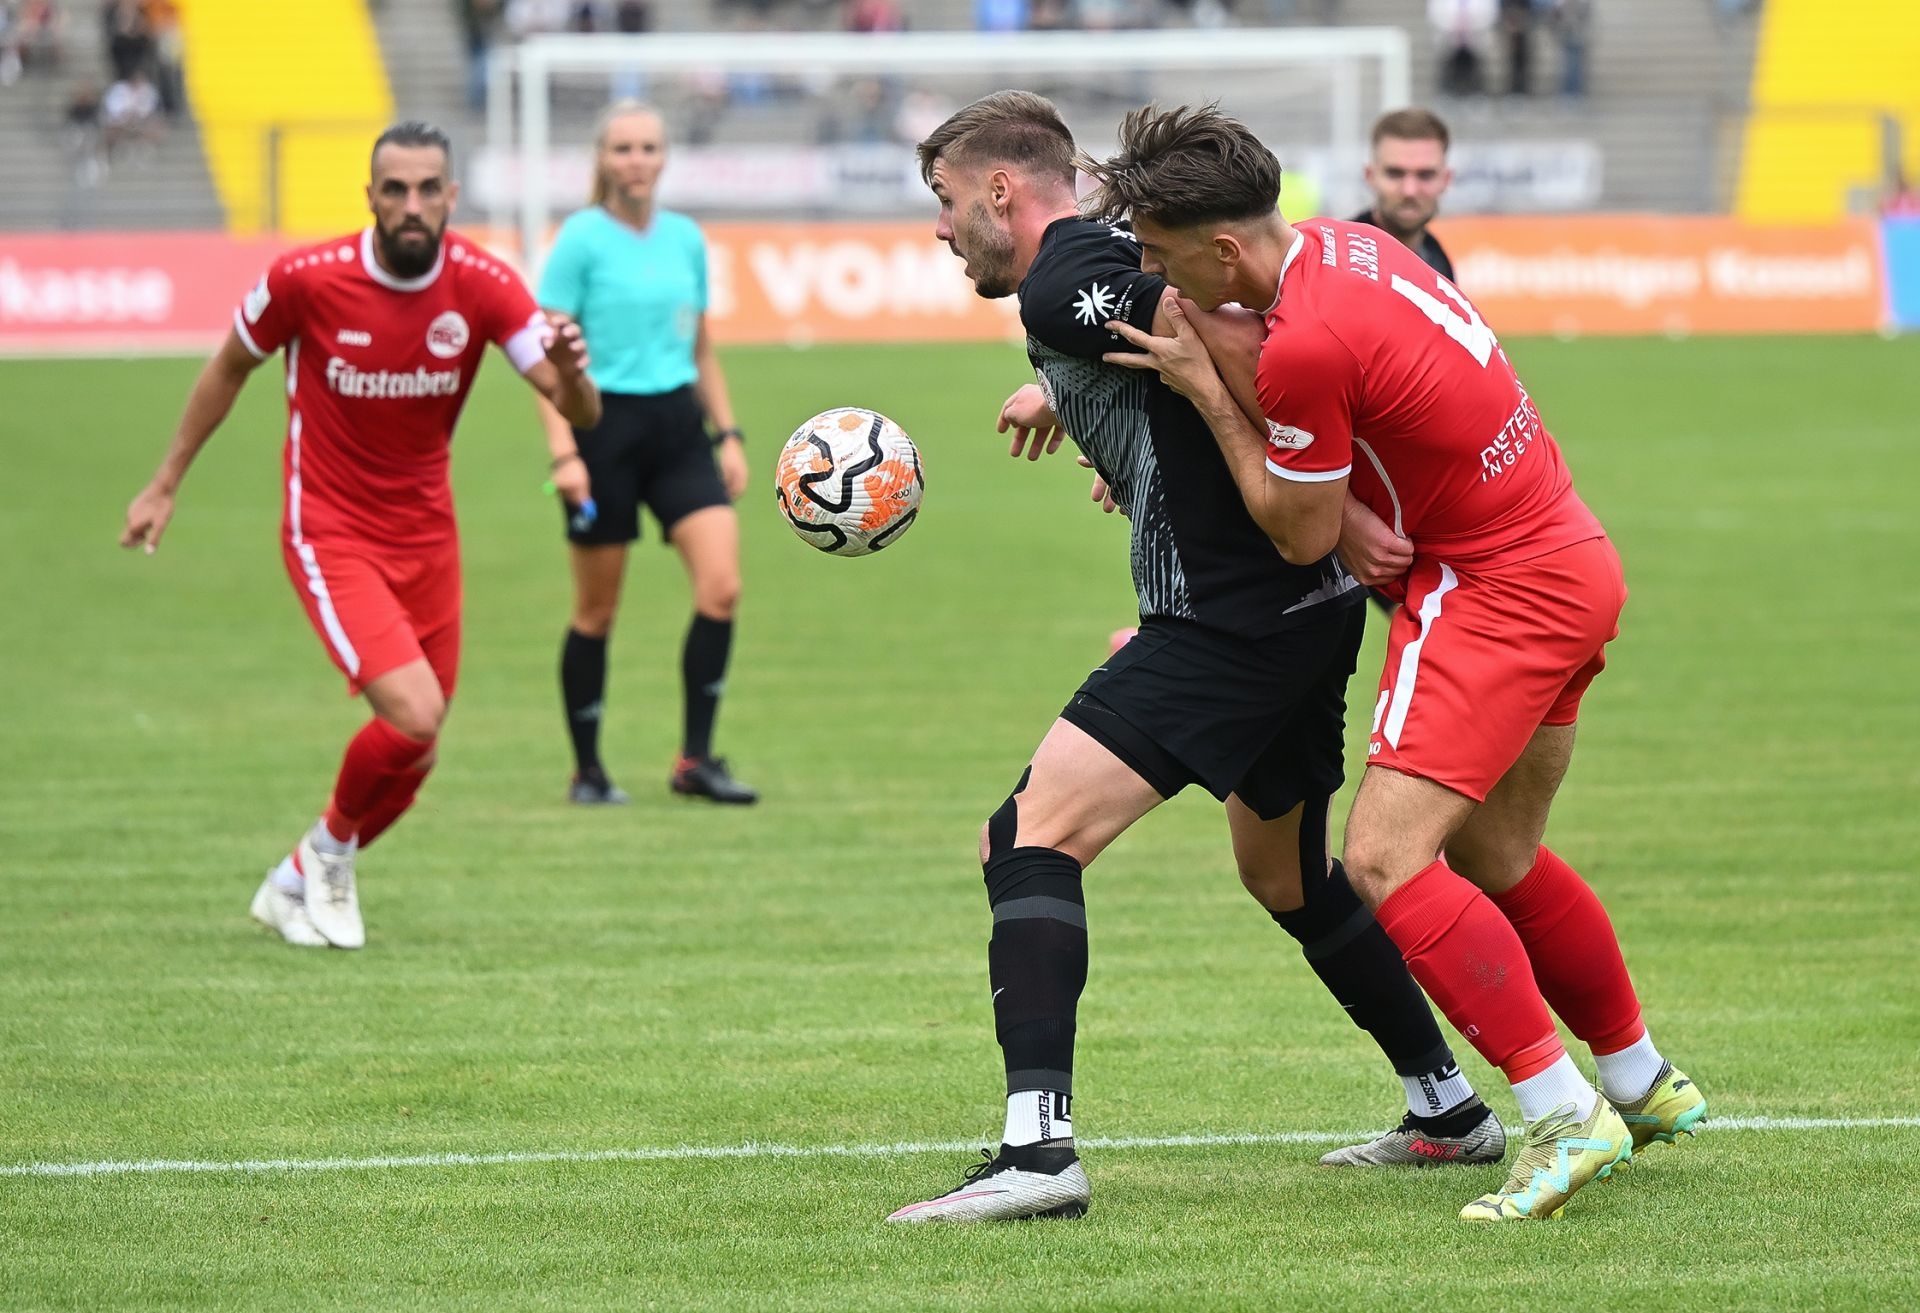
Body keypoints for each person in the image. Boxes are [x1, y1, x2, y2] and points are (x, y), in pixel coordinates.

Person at [886, 91, 1505, 1226]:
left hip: (1228, 615)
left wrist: (1336, 497)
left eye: (945, 198)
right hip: (1304, 612)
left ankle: (1037, 1151)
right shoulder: (1094, 269)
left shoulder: (1062, 277)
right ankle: (1449, 1107)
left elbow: (1244, 339)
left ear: (1000, 191)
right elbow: (1171, 340)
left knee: (1026, 835)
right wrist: (1068, 392)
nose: (939, 226)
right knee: (1285, 875)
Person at [1084, 104, 1707, 1222]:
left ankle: (1563, 1113)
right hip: (1573, 554)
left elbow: (1298, 531)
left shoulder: (1304, 342)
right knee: (1499, 852)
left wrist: (1204, 399)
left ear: (1223, 248)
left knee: (1382, 858)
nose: (1154, 275)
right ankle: (1639, 1076)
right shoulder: (1347, 246)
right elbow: (1306, 376)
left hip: (1494, 589)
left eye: (1163, 255)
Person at [121, 121, 601, 950]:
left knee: (418, 748)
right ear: (370, 197)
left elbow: (576, 409)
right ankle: (329, 860)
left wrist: (574, 370)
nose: (412, 205)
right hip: (329, 528)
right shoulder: (305, 279)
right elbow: (228, 366)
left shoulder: (486, 284)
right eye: (395, 189)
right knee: (413, 714)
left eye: (428, 189)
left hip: (429, 534)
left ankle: (299, 873)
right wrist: (165, 482)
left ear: (452, 196)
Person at [537, 102, 756, 806]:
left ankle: (696, 760)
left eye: (649, 148)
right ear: (602, 159)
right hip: (601, 428)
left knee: (721, 588)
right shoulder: (579, 239)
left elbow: (700, 346)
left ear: (665, 157)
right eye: (624, 148)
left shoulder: (685, 238)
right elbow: (547, 361)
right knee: (597, 611)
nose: (637, 160)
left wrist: (728, 433)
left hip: (678, 428)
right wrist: (564, 454)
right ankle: (587, 770)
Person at [1354, 107, 1455, 282]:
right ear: (1370, 176)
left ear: (1446, 180)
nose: (1410, 190)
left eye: (1425, 175)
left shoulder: (1437, 259)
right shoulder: (1337, 260)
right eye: (1395, 173)